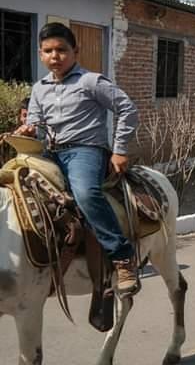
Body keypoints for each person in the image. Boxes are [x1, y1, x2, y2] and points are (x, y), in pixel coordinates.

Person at [15, 22, 140, 298]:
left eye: (61, 49)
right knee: (14, 185)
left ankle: (122, 257)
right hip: (49, 152)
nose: (55, 56)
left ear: (75, 51)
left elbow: (127, 109)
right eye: (48, 51)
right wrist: (28, 130)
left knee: (85, 193)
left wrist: (119, 149)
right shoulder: (39, 88)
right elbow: (35, 122)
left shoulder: (91, 81)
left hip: (84, 150)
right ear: (40, 53)